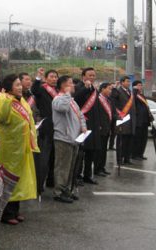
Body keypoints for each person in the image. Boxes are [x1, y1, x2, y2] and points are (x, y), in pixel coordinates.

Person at [0, 74, 39, 225]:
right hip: (9, 149)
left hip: (22, 147)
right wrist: (5, 99)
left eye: (20, 84)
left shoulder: (21, 101)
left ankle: (15, 210)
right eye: (17, 85)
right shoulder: (4, 100)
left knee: (19, 180)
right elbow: (1, 118)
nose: (20, 87)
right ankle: (5, 214)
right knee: (9, 180)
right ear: (8, 87)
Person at [52, 75, 86, 203]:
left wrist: (83, 127)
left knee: (71, 167)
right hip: (63, 138)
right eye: (71, 83)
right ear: (63, 86)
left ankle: (66, 190)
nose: (74, 86)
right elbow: (63, 108)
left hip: (74, 138)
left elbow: (80, 115)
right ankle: (59, 192)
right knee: (62, 167)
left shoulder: (72, 100)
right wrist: (66, 94)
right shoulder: (58, 99)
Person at [31, 68, 58, 194]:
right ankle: (39, 186)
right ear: (46, 78)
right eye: (51, 76)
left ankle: (51, 181)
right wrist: (38, 78)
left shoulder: (58, 91)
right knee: (43, 159)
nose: (54, 79)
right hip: (46, 128)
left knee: (54, 157)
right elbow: (34, 90)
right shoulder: (42, 89)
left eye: (55, 77)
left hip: (58, 128)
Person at [74, 67, 101, 185]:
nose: (92, 77)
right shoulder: (79, 87)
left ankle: (87, 175)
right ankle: (77, 176)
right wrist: (85, 88)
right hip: (82, 124)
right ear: (83, 76)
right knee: (81, 151)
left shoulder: (94, 90)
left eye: (93, 75)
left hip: (93, 124)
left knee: (91, 151)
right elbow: (76, 99)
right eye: (89, 75)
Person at [112, 76, 136, 165]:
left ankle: (127, 158)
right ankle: (119, 159)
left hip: (130, 121)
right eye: (127, 81)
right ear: (122, 82)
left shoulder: (130, 92)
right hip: (122, 119)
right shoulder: (118, 91)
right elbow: (113, 101)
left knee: (128, 141)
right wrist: (115, 87)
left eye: (129, 82)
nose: (129, 83)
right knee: (121, 141)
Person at [95, 83, 116, 176]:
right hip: (100, 128)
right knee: (99, 150)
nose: (110, 91)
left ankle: (102, 167)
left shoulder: (109, 100)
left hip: (107, 127)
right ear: (102, 89)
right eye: (108, 89)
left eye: (111, 89)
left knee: (104, 149)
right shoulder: (97, 99)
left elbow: (111, 113)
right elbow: (97, 114)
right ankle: (97, 169)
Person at [132, 80, 153, 160]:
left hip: (145, 121)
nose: (140, 87)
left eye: (141, 85)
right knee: (137, 139)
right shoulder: (133, 94)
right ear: (134, 86)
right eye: (139, 85)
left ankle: (140, 154)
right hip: (138, 121)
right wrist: (135, 90)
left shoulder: (142, 95)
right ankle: (134, 154)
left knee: (143, 139)